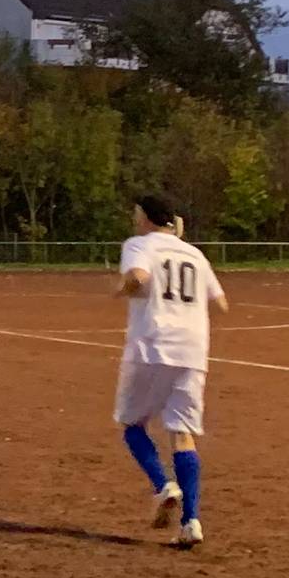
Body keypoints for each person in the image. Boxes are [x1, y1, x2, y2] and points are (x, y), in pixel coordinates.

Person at [114, 194, 229, 550]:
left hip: (152, 344)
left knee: (132, 424)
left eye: (137, 214)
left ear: (147, 218)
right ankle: (191, 520)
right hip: (193, 349)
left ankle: (163, 485)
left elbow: (137, 277)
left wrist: (123, 290)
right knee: (183, 434)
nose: (135, 220)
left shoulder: (139, 244)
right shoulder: (195, 253)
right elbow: (221, 303)